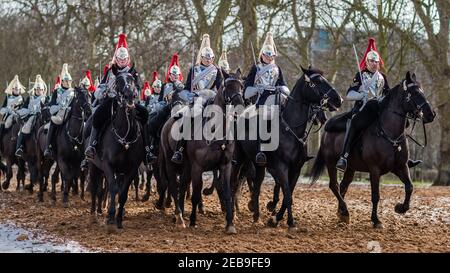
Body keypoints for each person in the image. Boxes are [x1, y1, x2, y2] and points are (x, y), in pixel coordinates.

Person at [84, 33, 155, 165]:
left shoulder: (133, 72)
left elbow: (138, 88)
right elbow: (100, 88)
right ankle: (92, 146)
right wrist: (102, 92)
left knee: (144, 114)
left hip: (129, 102)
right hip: (112, 101)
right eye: (120, 59)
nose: (122, 62)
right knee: (97, 115)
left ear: (128, 59)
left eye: (124, 59)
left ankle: (147, 150)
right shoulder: (110, 71)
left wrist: (134, 95)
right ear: (116, 59)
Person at [171, 34, 222, 164]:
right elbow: (187, 88)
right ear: (202, 57)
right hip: (197, 100)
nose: (208, 60)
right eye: (206, 58)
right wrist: (189, 95)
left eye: (211, 58)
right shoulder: (194, 69)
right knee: (188, 118)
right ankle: (180, 149)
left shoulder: (216, 71)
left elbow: (219, 87)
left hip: (211, 99)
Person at [243, 31, 289, 166]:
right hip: (260, 100)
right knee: (261, 120)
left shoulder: (277, 69)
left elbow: (285, 87)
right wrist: (257, 88)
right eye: (268, 55)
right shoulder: (256, 68)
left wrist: (279, 88)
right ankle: (260, 150)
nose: (270, 58)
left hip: (276, 100)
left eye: (272, 56)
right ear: (262, 55)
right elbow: (247, 90)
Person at [43, 64, 75, 158]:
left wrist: (69, 109)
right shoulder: (57, 91)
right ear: (62, 81)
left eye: (70, 81)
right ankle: (48, 147)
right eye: (66, 81)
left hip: (70, 114)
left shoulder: (73, 92)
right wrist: (60, 107)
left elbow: (74, 105)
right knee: (53, 123)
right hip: (59, 115)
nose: (68, 82)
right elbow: (52, 106)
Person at [15, 75, 48, 157]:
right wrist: (29, 111)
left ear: (43, 90)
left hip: (43, 117)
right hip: (32, 116)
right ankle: (20, 147)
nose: (39, 91)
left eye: (40, 89)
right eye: (37, 89)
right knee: (25, 128)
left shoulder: (46, 98)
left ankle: (50, 147)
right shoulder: (30, 98)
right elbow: (24, 108)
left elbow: (48, 108)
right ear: (35, 90)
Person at [0, 75, 25, 141]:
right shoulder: (8, 97)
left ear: (20, 90)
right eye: (15, 89)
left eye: (18, 89)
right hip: (9, 115)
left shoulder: (22, 98)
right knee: (3, 126)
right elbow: (2, 109)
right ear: (12, 89)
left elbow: (24, 109)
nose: (16, 90)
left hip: (19, 116)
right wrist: (7, 110)